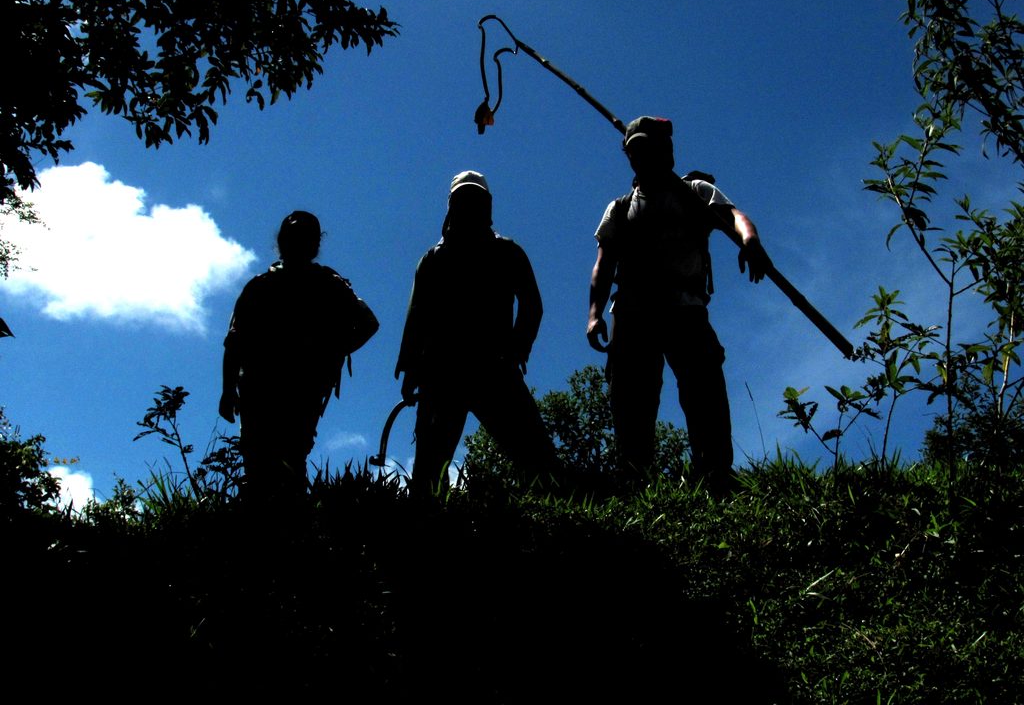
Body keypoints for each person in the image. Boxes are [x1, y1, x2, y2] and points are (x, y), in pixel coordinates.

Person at [586, 116, 770, 493]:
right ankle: (635, 482)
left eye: (646, 148)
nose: (640, 157)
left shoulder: (695, 192)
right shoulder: (620, 209)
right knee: (631, 399)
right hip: (633, 312)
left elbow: (734, 217)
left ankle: (715, 476)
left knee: (705, 392)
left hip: (685, 308)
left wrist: (749, 239)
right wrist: (593, 315)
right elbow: (603, 265)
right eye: (633, 151)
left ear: (665, 150)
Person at [396, 171, 557, 496]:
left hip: (493, 368)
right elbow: (418, 316)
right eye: (462, 200)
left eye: (475, 200)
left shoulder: (507, 252)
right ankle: (423, 527)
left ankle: (564, 525)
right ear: (451, 206)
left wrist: (516, 350)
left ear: (487, 206)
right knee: (430, 467)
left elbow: (532, 306)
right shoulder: (433, 258)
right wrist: (411, 367)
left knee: (537, 458)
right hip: (443, 372)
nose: (468, 206)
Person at [220, 211, 379, 504]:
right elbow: (235, 342)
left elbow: (368, 323)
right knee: (261, 466)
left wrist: (330, 352)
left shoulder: (328, 284)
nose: (297, 242)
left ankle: (285, 533)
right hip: (261, 390)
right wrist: (228, 390)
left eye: (304, 236)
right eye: (293, 235)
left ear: (314, 244)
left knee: (287, 464)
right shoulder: (262, 286)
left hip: (299, 391)